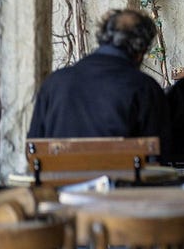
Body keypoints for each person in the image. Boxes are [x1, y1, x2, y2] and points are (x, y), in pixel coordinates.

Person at [28, 9, 172, 151]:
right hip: (121, 174)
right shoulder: (144, 88)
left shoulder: (54, 83)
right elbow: (159, 155)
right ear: (141, 50)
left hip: (58, 174)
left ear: (103, 37)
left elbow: (33, 146)